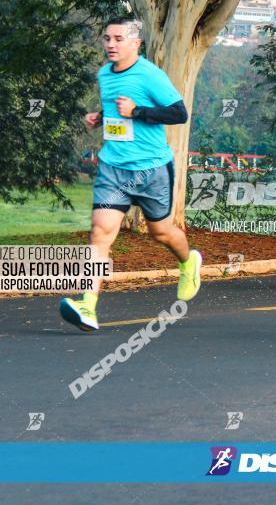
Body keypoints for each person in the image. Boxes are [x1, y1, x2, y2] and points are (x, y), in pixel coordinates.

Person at [59, 17, 201, 332]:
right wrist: (100, 117)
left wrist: (137, 111)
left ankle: (188, 261)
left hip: (151, 168)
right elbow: (114, 109)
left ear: (136, 43)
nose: (111, 44)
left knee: (161, 233)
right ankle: (88, 307)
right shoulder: (104, 74)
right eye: (107, 38)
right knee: (100, 232)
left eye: (119, 39)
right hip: (113, 166)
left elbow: (179, 113)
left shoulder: (151, 75)